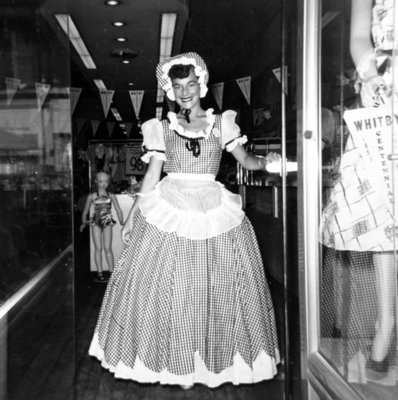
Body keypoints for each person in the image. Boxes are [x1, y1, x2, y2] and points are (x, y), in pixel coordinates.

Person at [88, 52, 281, 389]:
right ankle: (170, 358)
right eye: (178, 87)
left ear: (201, 86)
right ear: (171, 91)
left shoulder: (223, 124)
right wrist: (134, 216)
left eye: (191, 84)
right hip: (170, 205)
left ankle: (211, 360)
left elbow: (247, 161)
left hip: (213, 207)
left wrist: (271, 161)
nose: (185, 92)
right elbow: (151, 176)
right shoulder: (161, 128)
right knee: (168, 286)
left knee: (217, 285)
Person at [321, 0, 397, 381]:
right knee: (384, 211)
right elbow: (358, 36)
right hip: (387, 88)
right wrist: (369, 76)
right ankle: (386, 320)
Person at [80, 172, 123, 283]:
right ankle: (99, 273)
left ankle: (111, 272)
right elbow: (84, 212)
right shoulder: (92, 196)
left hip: (107, 221)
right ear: (95, 182)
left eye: (106, 181)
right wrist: (84, 223)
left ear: (109, 182)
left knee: (108, 248)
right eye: (100, 181)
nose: (103, 184)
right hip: (95, 222)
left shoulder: (111, 195)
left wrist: (122, 221)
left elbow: (118, 209)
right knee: (98, 248)